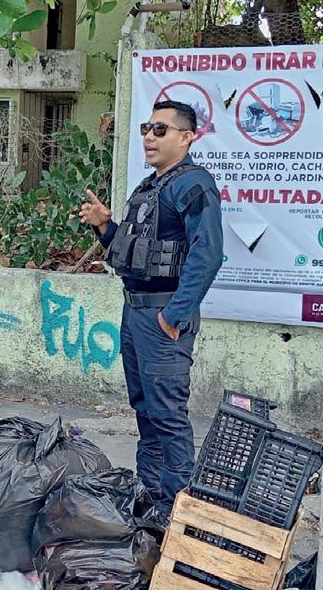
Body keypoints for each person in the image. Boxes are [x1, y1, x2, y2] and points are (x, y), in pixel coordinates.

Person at [79, 100, 224, 510]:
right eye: (146, 128)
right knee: (145, 412)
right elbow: (133, 253)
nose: (149, 136)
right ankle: (150, 500)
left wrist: (173, 316)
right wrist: (105, 226)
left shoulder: (193, 184)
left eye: (161, 130)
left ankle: (176, 509)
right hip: (136, 313)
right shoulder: (149, 187)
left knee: (167, 417)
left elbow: (207, 254)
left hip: (162, 316)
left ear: (186, 137)